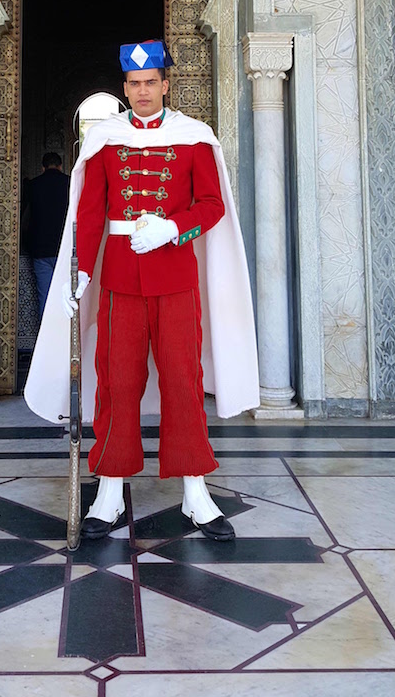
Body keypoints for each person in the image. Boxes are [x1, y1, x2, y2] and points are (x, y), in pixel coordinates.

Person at [24, 40, 259, 541]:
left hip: (175, 278)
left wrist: (174, 228)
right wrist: (81, 272)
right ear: (125, 88)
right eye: (134, 84)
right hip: (119, 284)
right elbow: (89, 215)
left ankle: (196, 493)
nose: (143, 91)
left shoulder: (194, 137)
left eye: (151, 82)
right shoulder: (106, 139)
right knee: (117, 384)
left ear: (165, 85)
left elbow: (212, 205)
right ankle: (109, 490)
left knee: (182, 382)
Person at [22, 152, 70, 316]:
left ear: (43, 168)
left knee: (45, 297)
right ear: (60, 166)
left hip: (40, 249)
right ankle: (65, 336)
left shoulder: (34, 185)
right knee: (66, 295)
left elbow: (26, 216)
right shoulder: (69, 184)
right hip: (64, 248)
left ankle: (46, 337)